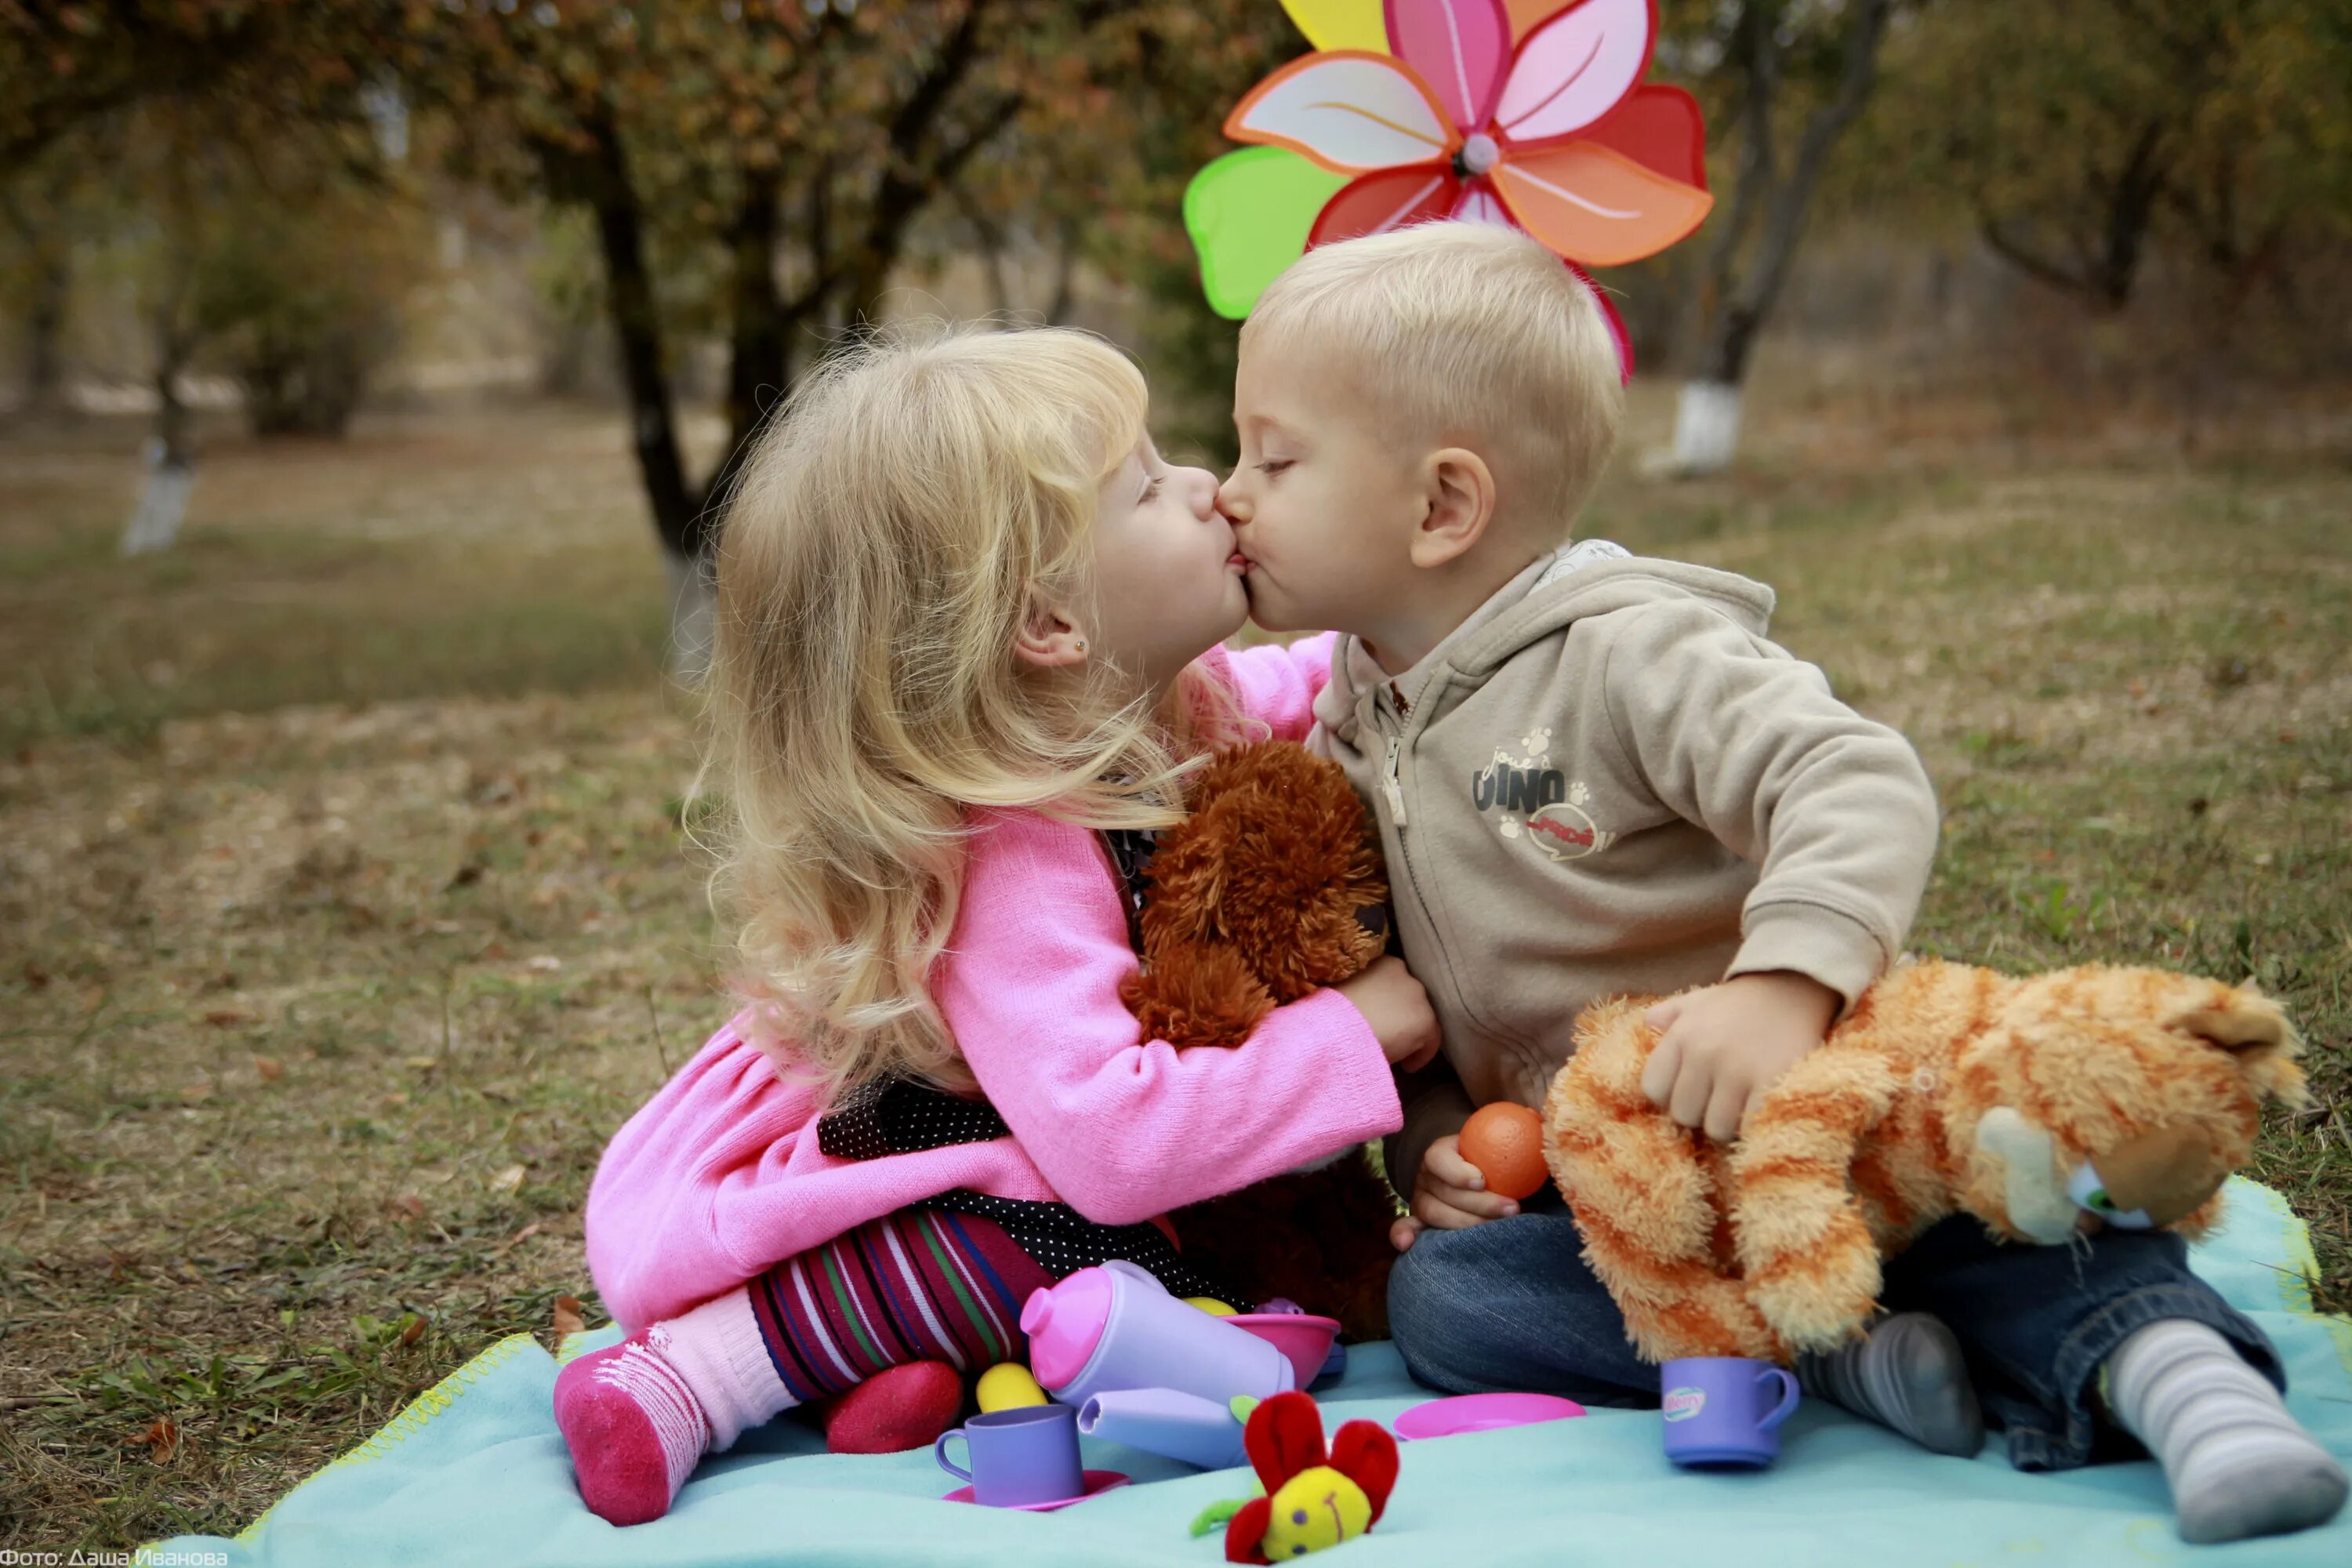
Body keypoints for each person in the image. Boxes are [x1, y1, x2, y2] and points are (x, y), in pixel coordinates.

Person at [1214, 220, 2346, 1545]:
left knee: (1993, 1208)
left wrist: (1783, 987)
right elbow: (1409, 989)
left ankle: (2184, 1381)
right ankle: (1839, 1356)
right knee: (1454, 1303)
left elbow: (1852, 777)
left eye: (1274, 459)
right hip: (1635, 1197)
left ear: (1443, 506)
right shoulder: (1349, 729)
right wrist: (1435, 1145)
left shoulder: (1631, 656)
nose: (1231, 490)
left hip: (1817, 1111)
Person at [553, 325, 1439, 1526]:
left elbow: (1323, 685)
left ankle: (905, 1376)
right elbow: (1114, 1144)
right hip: (906, 1166)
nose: (1205, 487)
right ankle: (702, 1374)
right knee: (1046, 1228)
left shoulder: (1170, 704)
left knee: (1115, 1254)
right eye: (1147, 487)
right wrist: (1348, 1035)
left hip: (1030, 1143)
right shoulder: (1008, 850)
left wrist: (1467, 618)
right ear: (1050, 625)